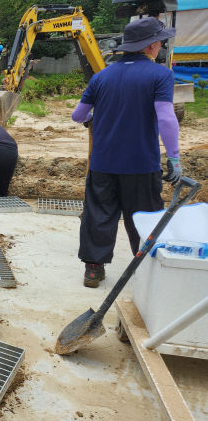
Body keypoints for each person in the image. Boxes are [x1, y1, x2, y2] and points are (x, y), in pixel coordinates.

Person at [71, 16, 181, 288]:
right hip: (141, 164)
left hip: (103, 163)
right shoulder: (160, 75)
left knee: (98, 214)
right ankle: (144, 271)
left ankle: (94, 270)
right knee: (143, 218)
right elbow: (166, 117)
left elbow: (78, 115)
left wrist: (97, 113)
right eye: (161, 42)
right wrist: (175, 157)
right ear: (152, 45)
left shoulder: (102, 76)